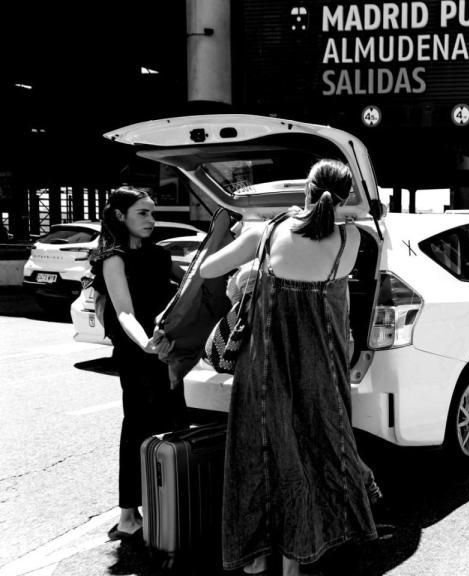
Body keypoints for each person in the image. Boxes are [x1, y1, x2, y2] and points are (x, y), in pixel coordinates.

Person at [200, 159, 379, 576]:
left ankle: (257, 554)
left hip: (264, 367)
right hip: (321, 368)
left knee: (260, 452)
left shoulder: (266, 233)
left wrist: (247, 248)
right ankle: (297, 558)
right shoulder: (351, 240)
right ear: (344, 196)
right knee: (314, 452)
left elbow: (209, 269)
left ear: (306, 189)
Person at [88, 186, 185, 541]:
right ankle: (129, 514)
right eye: (143, 213)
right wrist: (143, 341)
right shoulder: (112, 258)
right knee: (139, 427)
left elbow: (189, 285)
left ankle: (166, 502)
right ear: (119, 215)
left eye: (152, 212)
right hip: (137, 353)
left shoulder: (158, 254)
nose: (151, 220)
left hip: (164, 351)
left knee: (174, 422)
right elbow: (123, 310)